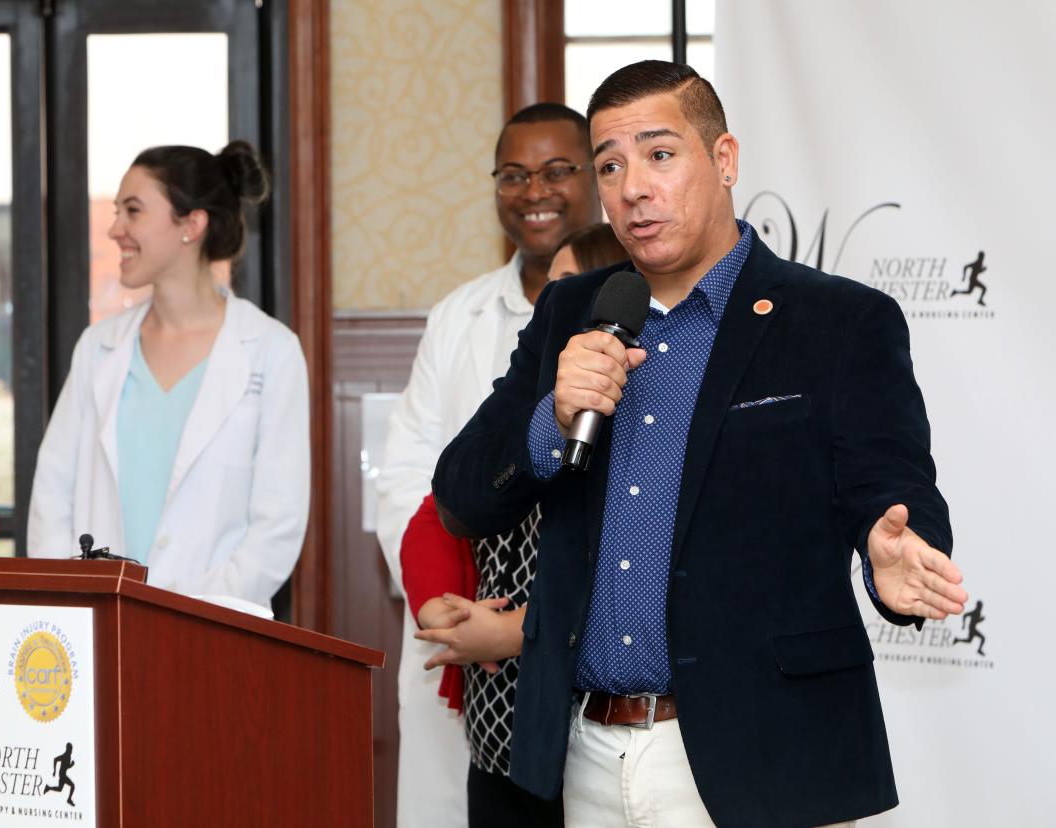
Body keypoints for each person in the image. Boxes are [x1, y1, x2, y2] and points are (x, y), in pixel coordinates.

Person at [432, 60, 968, 828]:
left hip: (764, 756)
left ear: (723, 161)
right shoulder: (572, 310)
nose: (632, 187)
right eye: (610, 165)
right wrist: (551, 417)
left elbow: (895, 493)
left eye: (660, 155)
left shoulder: (838, 322)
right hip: (586, 753)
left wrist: (895, 550)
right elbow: (460, 494)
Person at [375, 103, 601, 828]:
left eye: (557, 170)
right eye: (513, 174)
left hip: (583, 645)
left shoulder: (648, 315)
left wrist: (522, 625)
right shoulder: (458, 316)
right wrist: (448, 602)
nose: (534, 191)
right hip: (463, 636)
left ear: (597, 178)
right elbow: (412, 476)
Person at [398, 223, 627, 828]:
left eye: (572, 292)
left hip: (587, 740)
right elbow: (436, 512)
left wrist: (510, 633)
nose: (550, 312)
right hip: (498, 738)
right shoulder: (531, 411)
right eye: (548, 294)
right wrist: (438, 609)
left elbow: (633, 575)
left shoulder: (638, 422)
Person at [28, 142, 309, 609]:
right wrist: (75, 599)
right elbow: (52, 498)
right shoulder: (99, 349)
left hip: (214, 632)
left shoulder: (271, 351)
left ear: (191, 225)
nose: (115, 229)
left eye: (133, 211)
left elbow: (277, 525)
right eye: (118, 212)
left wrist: (191, 615)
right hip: (99, 624)